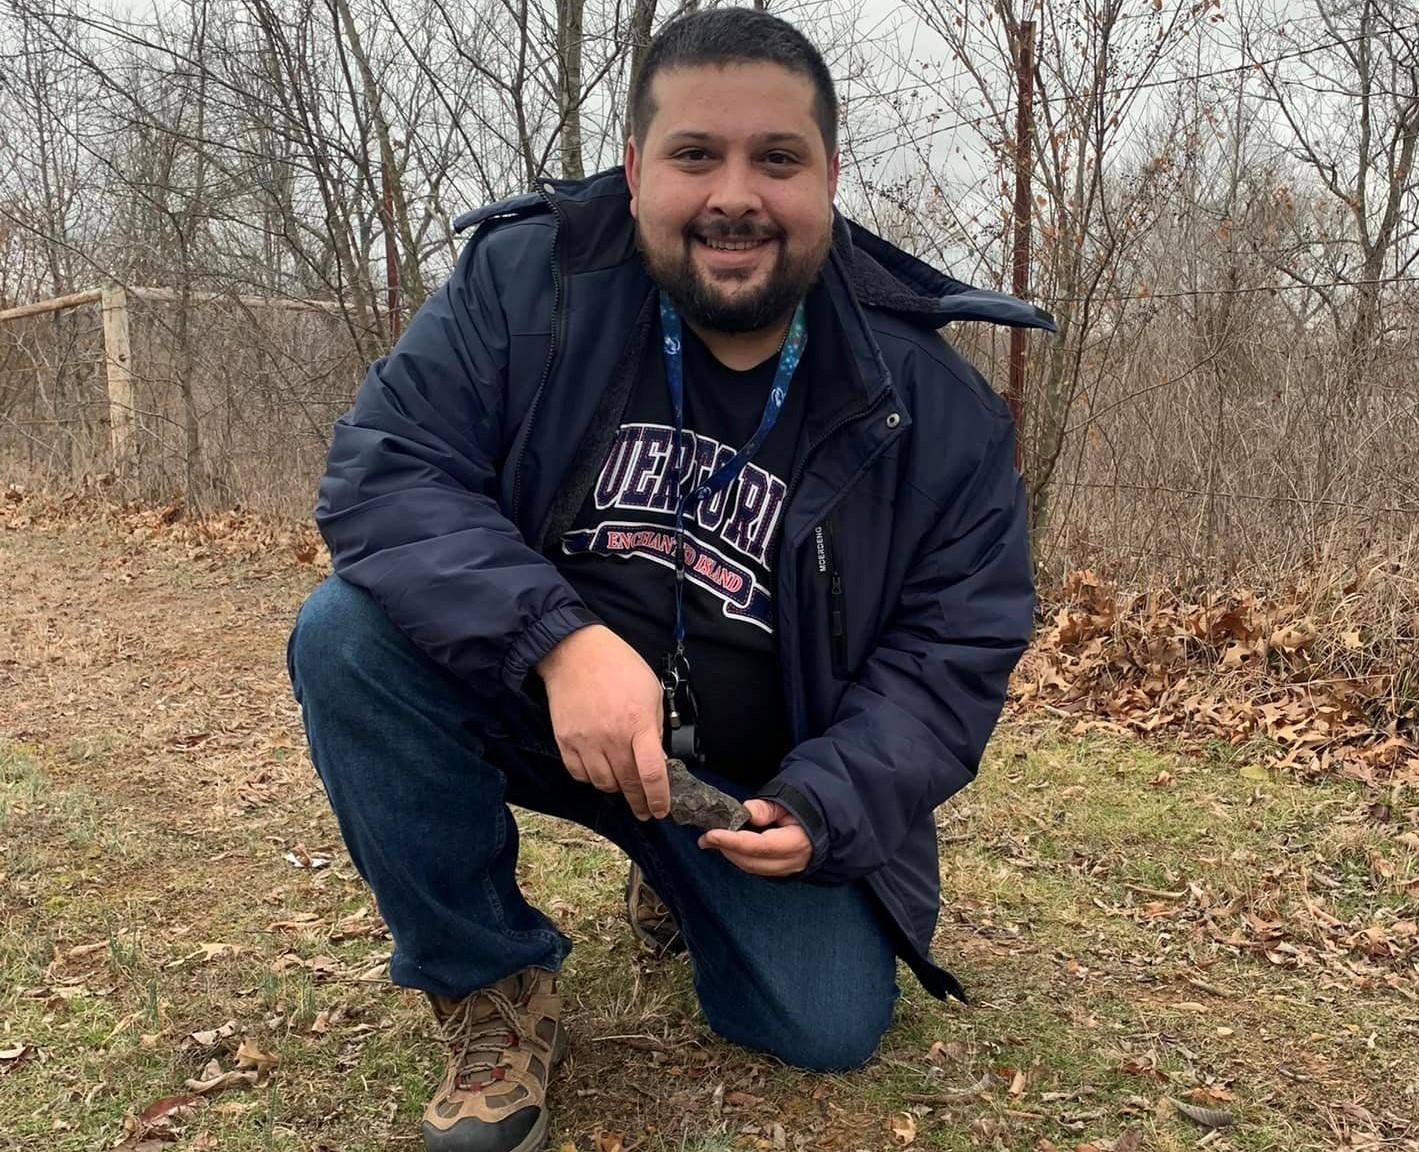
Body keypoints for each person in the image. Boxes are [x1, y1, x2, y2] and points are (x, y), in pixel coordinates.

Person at [286, 8, 1053, 1152]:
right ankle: (491, 982)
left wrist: (825, 802)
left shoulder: (931, 403)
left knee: (824, 1025)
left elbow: (953, 649)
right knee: (345, 634)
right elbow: (387, 474)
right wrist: (559, 640)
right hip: (547, 703)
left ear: (829, 178)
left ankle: (679, 881)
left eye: (776, 158)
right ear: (638, 168)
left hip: (744, 787)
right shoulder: (528, 282)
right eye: (696, 154)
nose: (733, 196)